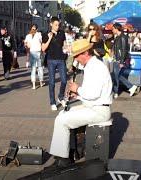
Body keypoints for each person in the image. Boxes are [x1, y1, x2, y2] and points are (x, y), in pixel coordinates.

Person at [48, 39, 112, 167]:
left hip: (99, 111)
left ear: (86, 53)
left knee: (62, 121)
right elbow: (91, 93)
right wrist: (77, 94)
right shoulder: (92, 65)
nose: (76, 59)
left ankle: (62, 160)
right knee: (62, 114)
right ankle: (68, 153)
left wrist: (77, 88)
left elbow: (93, 94)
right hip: (95, 106)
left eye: (77, 55)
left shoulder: (95, 67)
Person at [42, 17, 68, 111]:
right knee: (52, 82)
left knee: (64, 80)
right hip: (51, 60)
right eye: (56, 25)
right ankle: (52, 102)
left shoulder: (62, 33)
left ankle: (60, 97)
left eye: (58, 25)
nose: (57, 27)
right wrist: (49, 38)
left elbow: (64, 44)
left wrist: (66, 49)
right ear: (51, 24)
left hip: (61, 59)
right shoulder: (45, 34)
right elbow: (43, 49)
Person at [112, 23, 137, 98]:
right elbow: (117, 49)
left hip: (120, 59)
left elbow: (124, 50)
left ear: (117, 28)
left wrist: (122, 61)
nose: (112, 30)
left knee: (117, 75)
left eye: (113, 28)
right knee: (116, 76)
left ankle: (131, 86)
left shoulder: (123, 37)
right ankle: (116, 92)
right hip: (117, 59)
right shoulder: (118, 37)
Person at [25, 24, 45, 89]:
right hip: (38, 52)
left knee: (33, 68)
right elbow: (42, 42)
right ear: (37, 29)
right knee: (40, 68)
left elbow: (26, 45)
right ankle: (41, 83)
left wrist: (27, 45)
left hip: (32, 53)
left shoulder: (28, 36)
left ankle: (34, 85)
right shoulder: (39, 35)